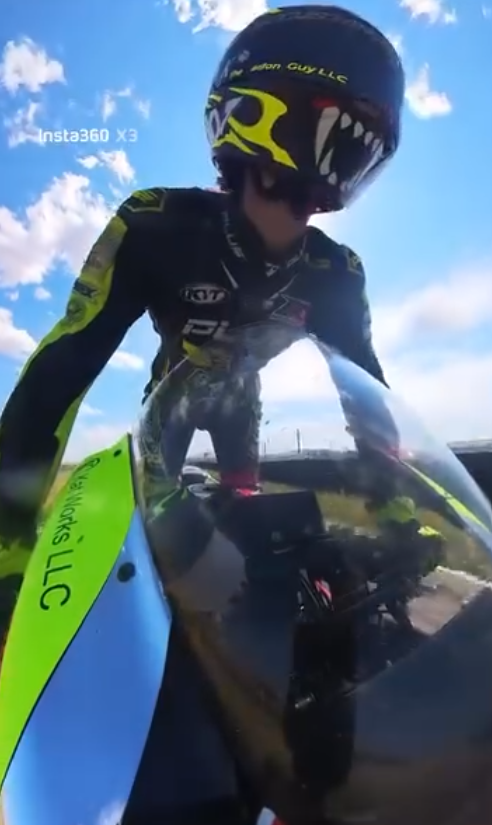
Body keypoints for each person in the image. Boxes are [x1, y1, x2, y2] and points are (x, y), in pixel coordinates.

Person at [0, 7, 410, 612]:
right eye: (334, 131)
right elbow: (59, 377)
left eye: (355, 145)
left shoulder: (337, 273)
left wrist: (399, 517)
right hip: (167, 409)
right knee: (153, 538)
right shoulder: (153, 225)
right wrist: (9, 547)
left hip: (239, 409)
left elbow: (367, 397)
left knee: (252, 536)